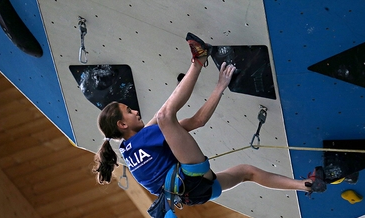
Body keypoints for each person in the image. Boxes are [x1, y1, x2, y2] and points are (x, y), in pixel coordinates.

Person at [94, 32, 326, 207]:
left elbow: (197, 121)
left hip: (193, 196)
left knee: (247, 172)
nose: (135, 111)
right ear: (122, 125)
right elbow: (178, 118)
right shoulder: (144, 139)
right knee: (165, 116)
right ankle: (198, 60)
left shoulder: (129, 150)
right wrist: (219, 85)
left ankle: (305, 185)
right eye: (128, 111)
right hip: (190, 179)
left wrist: (218, 88)